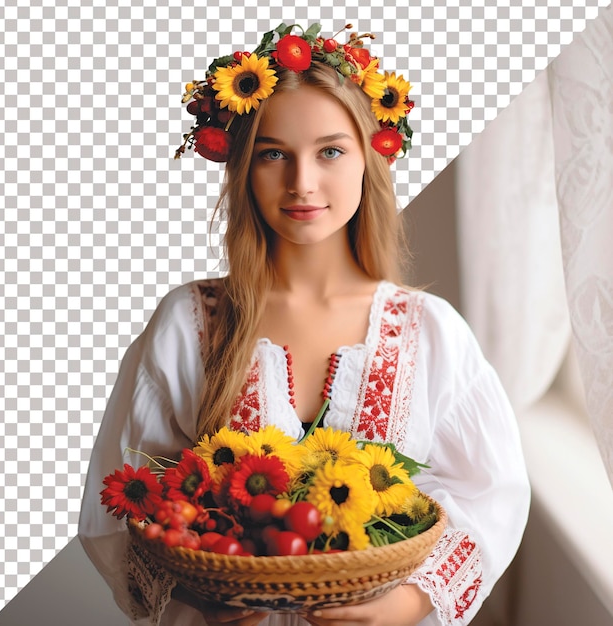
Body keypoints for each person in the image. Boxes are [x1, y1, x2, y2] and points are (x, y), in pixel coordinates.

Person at [79, 22, 530, 626]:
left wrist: (406, 601)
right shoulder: (188, 325)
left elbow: (489, 494)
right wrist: (198, 597)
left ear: (370, 159)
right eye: (273, 154)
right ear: (243, 168)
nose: (302, 183)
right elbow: (125, 496)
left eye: (330, 151)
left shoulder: (430, 332)